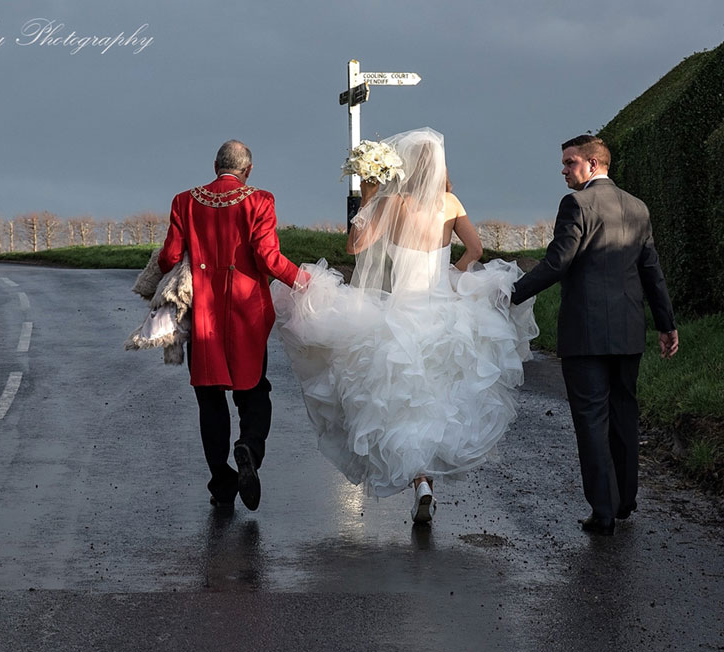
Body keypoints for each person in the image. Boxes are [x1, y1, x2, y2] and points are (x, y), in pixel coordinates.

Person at [271, 127, 538, 523]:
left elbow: (355, 247)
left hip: (399, 310)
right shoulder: (450, 202)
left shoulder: (393, 203)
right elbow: (477, 250)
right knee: (434, 400)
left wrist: (366, 196)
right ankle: (425, 481)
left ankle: (420, 481)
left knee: (398, 403)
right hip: (443, 308)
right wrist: (454, 272)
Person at [511, 134, 678, 536]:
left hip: (585, 332)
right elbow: (650, 270)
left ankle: (603, 511)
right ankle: (624, 501)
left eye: (570, 162)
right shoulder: (637, 207)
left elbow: (558, 261)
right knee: (624, 414)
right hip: (628, 330)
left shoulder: (576, 204)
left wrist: (510, 294)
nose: (564, 170)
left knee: (591, 419)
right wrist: (666, 323)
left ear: (592, 164)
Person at [158, 139, 303, 511]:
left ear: (215, 165)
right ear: (248, 170)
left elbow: (170, 257)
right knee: (254, 390)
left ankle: (221, 483)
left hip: (204, 312)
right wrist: (303, 281)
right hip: (246, 310)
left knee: (210, 399)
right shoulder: (260, 200)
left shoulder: (184, 201)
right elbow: (268, 257)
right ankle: (249, 448)